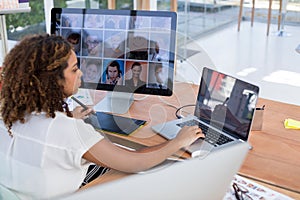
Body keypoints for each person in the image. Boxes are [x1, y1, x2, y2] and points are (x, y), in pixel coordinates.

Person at [0, 34, 203, 200]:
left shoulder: (7, 115)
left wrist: (71, 119)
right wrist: (178, 141)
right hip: (72, 192)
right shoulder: (67, 130)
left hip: (30, 191)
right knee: (151, 170)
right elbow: (135, 162)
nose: (80, 74)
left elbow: (47, 139)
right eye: (74, 69)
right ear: (52, 80)